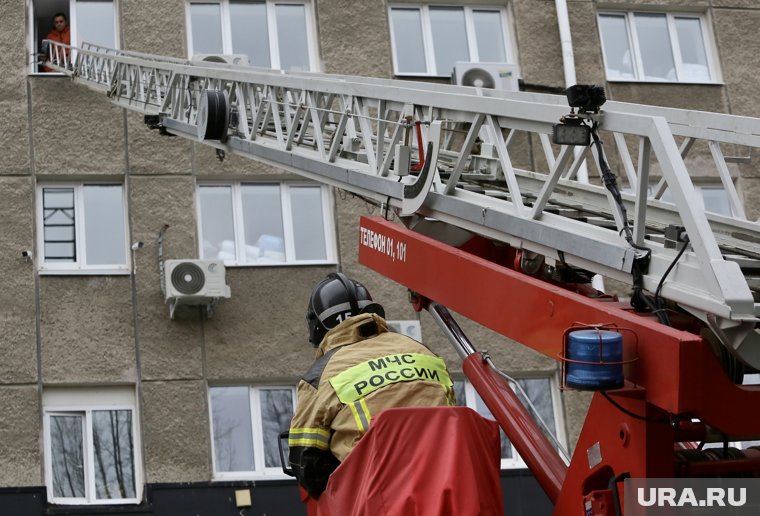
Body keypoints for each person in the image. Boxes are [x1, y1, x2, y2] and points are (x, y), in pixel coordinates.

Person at [288, 273, 456, 499]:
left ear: (317, 326)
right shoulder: (423, 352)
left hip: (381, 502)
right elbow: (454, 420)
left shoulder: (320, 376)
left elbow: (307, 465)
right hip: (451, 492)